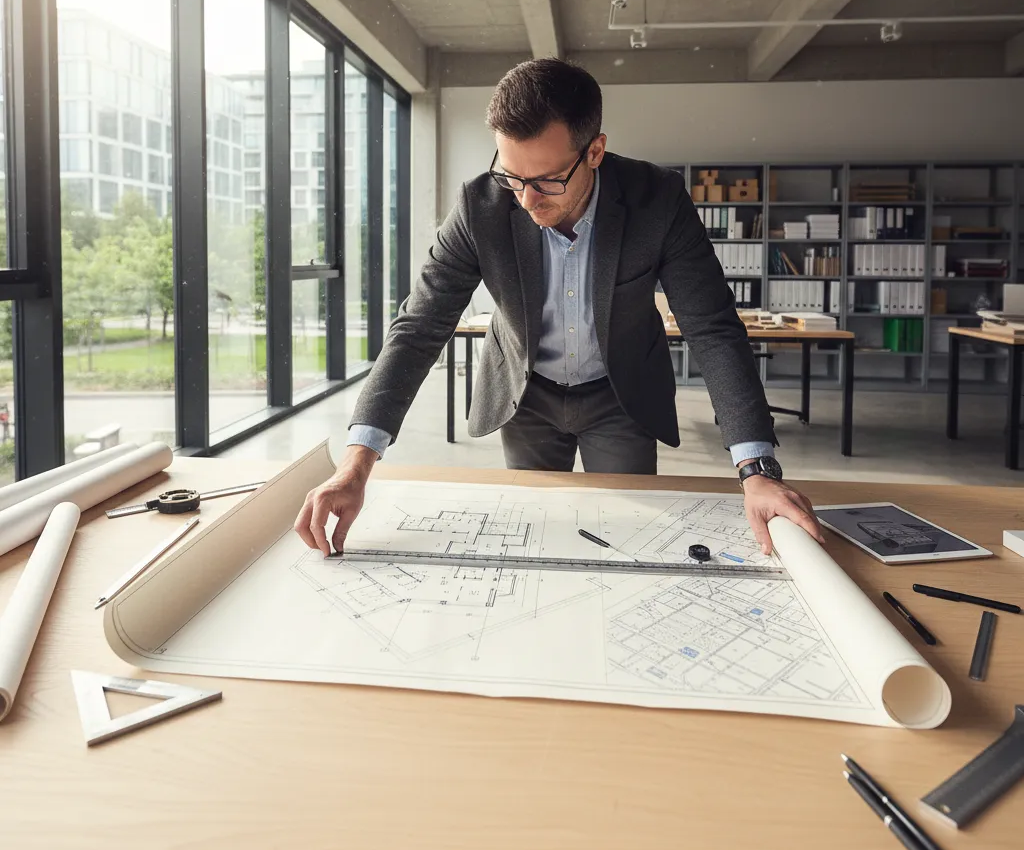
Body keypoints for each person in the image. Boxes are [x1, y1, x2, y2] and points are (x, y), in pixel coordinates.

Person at [293, 59, 823, 557]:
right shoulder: (480, 207)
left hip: (622, 395)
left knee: (629, 538)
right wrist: (355, 464)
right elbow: (418, 328)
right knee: (536, 530)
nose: (526, 200)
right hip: (527, 397)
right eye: (511, 175)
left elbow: (712, 327)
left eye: (547, 180)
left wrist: (756, 470)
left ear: (595, 151)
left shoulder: (656, 201)